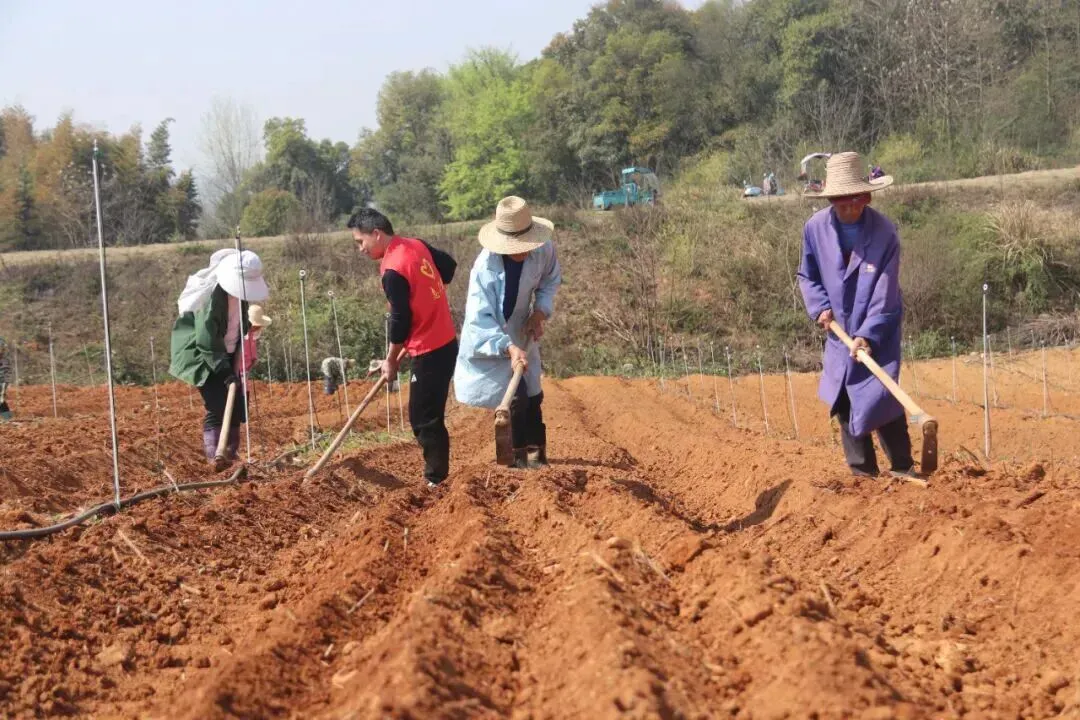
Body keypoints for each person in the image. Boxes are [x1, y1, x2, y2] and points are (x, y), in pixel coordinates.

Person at [797, 151, 920, 479]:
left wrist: (868, 334)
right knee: (845, 399)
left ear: (866, 197)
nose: (850, 209)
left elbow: (886, 290)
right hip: (839, 328)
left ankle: (903, 467)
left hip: (878, 327)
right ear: (832, 200)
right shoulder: (815, 229)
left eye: (856, 201)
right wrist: (820, 307)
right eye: (842, 203)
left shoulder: (884, 233)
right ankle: (863, 475)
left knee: (881, 395)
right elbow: (807, 275)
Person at [348, 208, 458, 488]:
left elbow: (400, 320)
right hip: (444, 339)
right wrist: (428, 297)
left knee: (423, 418)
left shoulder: (393, 270)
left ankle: (437, 480)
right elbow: (449, 267)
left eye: (361, 242)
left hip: (430, 348)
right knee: (427, 413)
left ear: (377, 234)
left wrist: (390, 359)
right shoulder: (415, 244)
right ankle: (438, 476)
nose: (360, 249)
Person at [454, 196, 562, 469]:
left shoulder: (544, 249)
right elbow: (480, 319)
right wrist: (509, 348)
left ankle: (537, 457)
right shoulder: (484, 269)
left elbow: (550, 281)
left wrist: (539, 313)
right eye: (517, 247)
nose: (525, 251)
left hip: (522, 326)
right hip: (490, 335)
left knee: (534, 393)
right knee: (516, 395)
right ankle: (515, 458)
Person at [169, 249, 270, 470]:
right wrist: (224, 372)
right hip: (202, 355)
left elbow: (237, 329)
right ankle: (215, 457)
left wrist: (235, 362)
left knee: (234, 407)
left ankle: (230, 456)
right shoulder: (211, 300)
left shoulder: (238, 298)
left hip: (225, 352)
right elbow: (206, 341)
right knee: (218, 405)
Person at [235, 305, 272, 394]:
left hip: (245, 373)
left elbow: (252, 353)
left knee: (245, 393)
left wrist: (253, 359)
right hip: (237, 373)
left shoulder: (253, 335)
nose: (258, 328)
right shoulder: (241, 335)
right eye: (256, 326)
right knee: (240, 396)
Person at [0, 337, 12, 421]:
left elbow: (5, 374)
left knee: (1, 400)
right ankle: (7, 418)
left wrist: (3, 390)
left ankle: (7, 418)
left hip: (1, 382)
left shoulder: (4, 361)